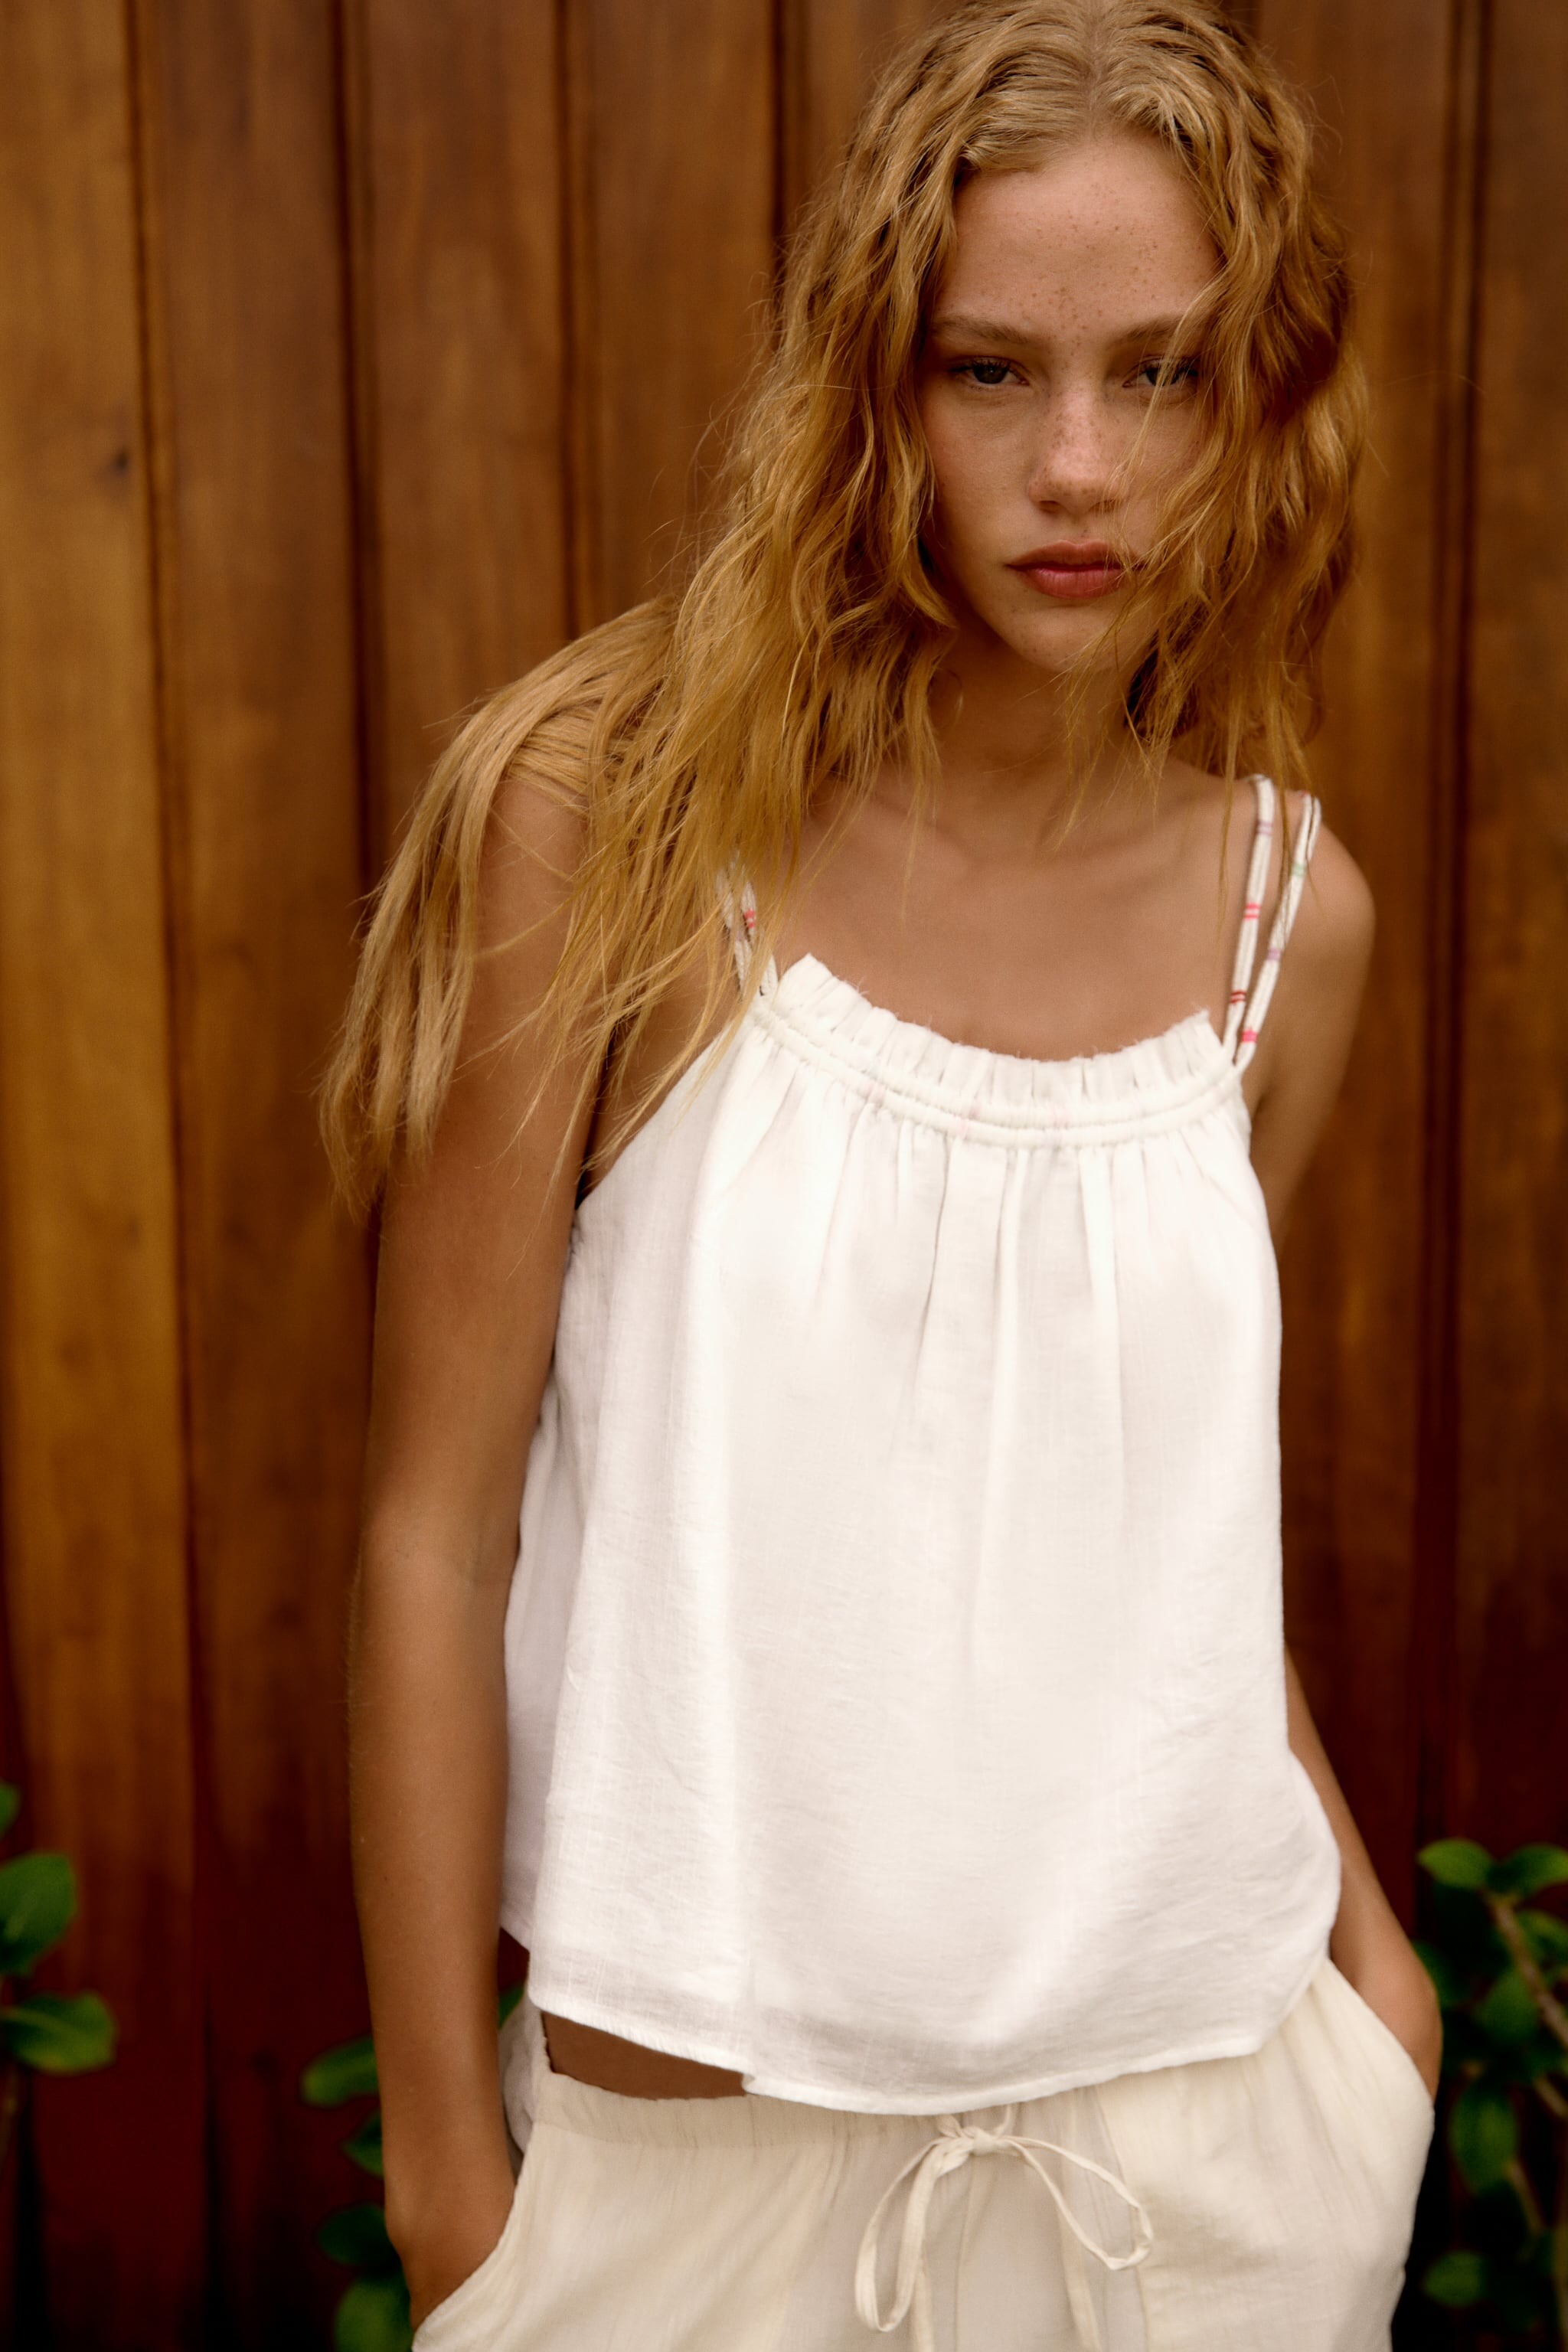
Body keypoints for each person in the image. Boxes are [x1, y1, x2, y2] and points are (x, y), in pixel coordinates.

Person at [324, 2, 1443, 2344]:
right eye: (989, 371)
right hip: (688, 2198)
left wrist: (1380, 2008)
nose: (1079, 465)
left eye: (1161, 374)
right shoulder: (612, 832)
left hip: (1207, 2179)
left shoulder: (1286, 923)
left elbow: (1160, 1532)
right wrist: (457, 2196)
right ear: (873, 391)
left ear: (1258, 407)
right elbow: (437, 1526)